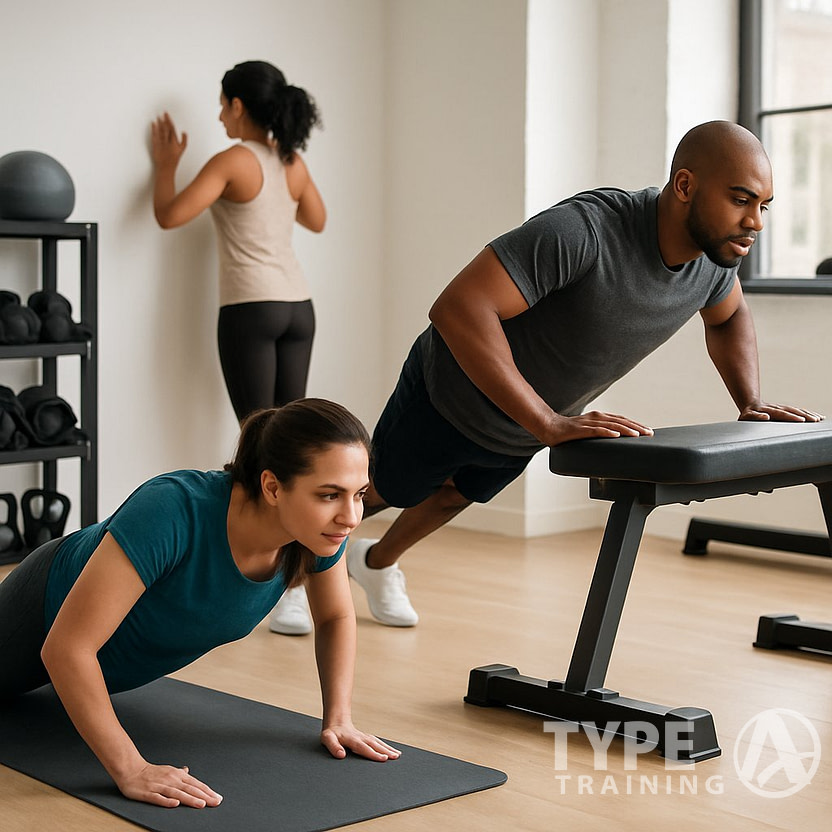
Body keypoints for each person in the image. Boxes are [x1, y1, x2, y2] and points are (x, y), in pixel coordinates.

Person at [343, 120, 824, 628]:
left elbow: (729, 318)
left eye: (763, 206)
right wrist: (547, 423)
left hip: (525, 423)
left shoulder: (713, 261)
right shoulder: (585, 231)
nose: (756, 221)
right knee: (380, 491)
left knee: (452, 496)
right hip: (451, 394)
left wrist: (748, 399)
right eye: (741, 199)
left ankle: (375, 563)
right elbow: (459, 308)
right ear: (685, 186)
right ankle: (295, 575)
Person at [0, 399, 400, 809]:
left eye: (360, 494)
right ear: (273, 487)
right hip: (34, 612)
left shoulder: (316, 532)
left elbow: (334, 616)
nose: (351, 516)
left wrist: (339, 718)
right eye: (331, 495)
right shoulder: (174, 508)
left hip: (101, 665)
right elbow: (67, 648)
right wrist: (131, 768)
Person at [150, 60, 326, 636]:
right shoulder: (290, 161)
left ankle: (284, 587)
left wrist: (165, 168)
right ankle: (301, 583)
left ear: (241, 107)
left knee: (261, 444)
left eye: (223, 104)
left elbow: (169, 214)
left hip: (251, 309)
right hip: (298, 308)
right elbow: (317, 220)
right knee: (295, 445)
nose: (219, 114)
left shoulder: (232, 161)